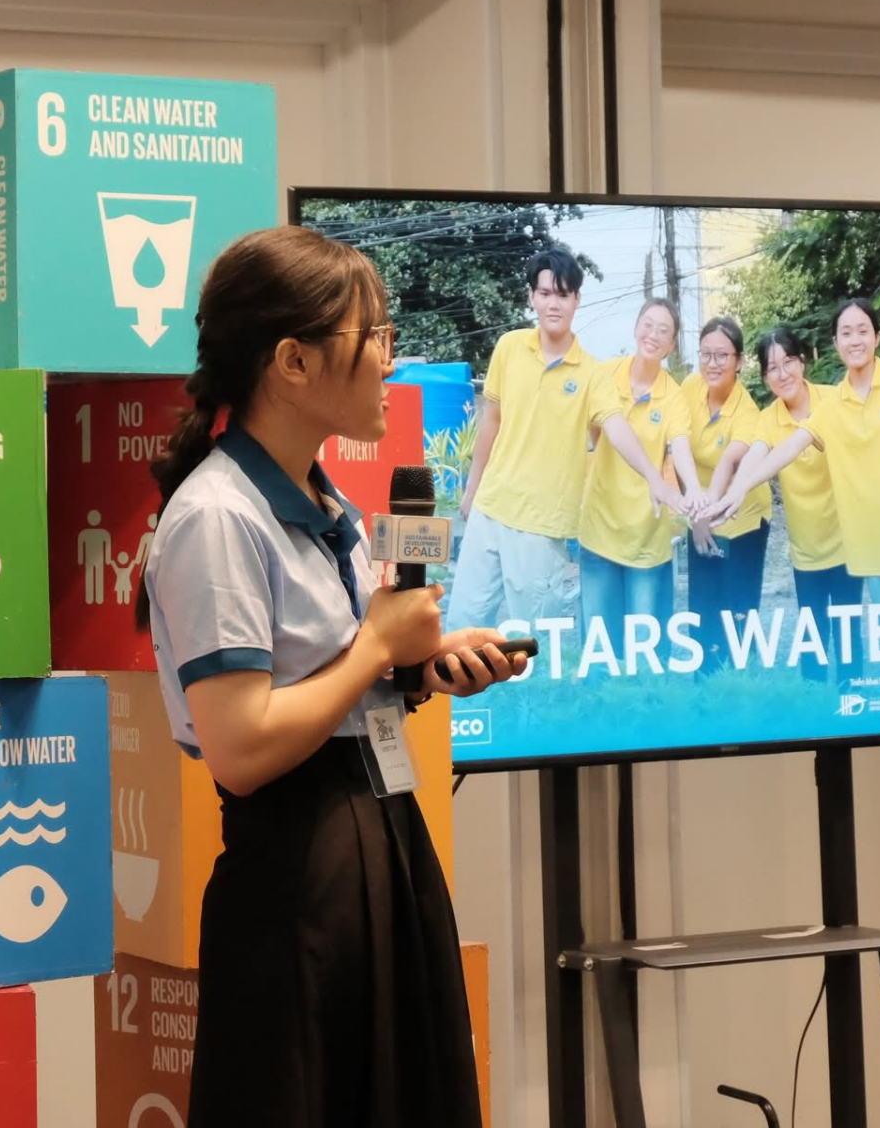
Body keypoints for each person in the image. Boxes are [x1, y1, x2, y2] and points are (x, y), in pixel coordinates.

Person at [138, 225, 523, 1128]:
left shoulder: (328, 501)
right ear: (293, 362)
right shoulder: (216, 518)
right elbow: (240, 748)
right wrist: (377, 650)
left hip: (381, 852)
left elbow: (335, 679)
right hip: (296, 888)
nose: (390, 357)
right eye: (372, 334)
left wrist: (421, 669)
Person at [709, 299, 880, 702]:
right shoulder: (833, 405)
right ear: (835, 344)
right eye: (846, 333)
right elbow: (781, 452)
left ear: (877, 337)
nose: (855, 340)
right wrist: (734, 493)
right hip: (863, 548)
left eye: (862, 331)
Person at [447, 247, 598, 633]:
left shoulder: (592, 373)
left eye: (562, 294)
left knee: (532, 640)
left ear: (577, 299)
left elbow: (604, 441)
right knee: (463, 623)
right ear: (531, 297)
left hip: (542, 525)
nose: (553, 304)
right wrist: (471, 491)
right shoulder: (509, 347)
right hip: (491, 508)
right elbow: (491, 422)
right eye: (544, 293)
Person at [575, 297, 705, 644]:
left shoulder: (673, 396)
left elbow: (680, 445)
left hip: (646, 538)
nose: (653, 335)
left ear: (672, 344)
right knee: (600, 648)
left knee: (645, 650)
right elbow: (593, 430)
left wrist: (693, 487)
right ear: (635, 329)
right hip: (599, 531)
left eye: (664, 330)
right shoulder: (604, 375)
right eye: (648, 325)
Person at [747, 327, 853, 684]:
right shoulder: (768, 419)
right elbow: (755, 460)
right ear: (765, 377)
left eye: (788, 361)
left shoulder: (833, 400)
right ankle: (815, 708)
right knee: (813, 638)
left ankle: (853, 703)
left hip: (848, 545)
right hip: (805, 551)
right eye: (772, 368)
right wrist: (730, 494)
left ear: (802, 362)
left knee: (849, 635)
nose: (782, 373)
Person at [681, 316, 772, 673]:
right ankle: (704, 685)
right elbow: (678, 446)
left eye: (722, 355)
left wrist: (705, 515)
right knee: (702, 605)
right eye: (706, 354)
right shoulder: (690, 387)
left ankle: (740, 683)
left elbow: (729, 461)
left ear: (739, 361)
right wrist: (697, 516)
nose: (713, 363)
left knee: (738, 608)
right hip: (700, 514)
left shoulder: (747, 410)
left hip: (741, 518)